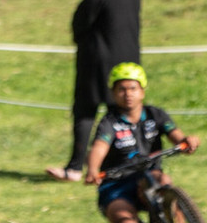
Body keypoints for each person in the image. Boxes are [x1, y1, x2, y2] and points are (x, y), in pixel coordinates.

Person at [47, 0, 141, 183]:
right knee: (120, 116)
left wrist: (81, 40)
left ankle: (75, 168)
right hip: (128, 63)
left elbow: (80, 21)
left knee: (85, 111)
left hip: (97, 61)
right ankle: (124, 166)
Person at [85, 63, 200, 223]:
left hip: (149, 177)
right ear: (113, 93)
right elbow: (99, 147)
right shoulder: (109, 122)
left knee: (165, 186)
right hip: (116, 185)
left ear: (142, 92)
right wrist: (92, 169)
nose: (128, 94)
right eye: (121, 89)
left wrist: (187, 142)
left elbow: (177, 137)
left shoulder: (156, 114)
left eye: (133, 88)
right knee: (124, 219)